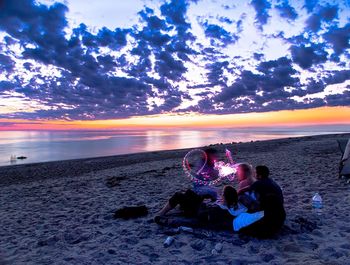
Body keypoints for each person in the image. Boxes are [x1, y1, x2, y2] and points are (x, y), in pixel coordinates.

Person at [239, 165, 286, 238]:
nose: (254, 174)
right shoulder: (270, 181)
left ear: (259, 175)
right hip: (280, 215)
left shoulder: (259, 183)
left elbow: (243, 190)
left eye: (255, 173)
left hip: (270, 221)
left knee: (243, 198)